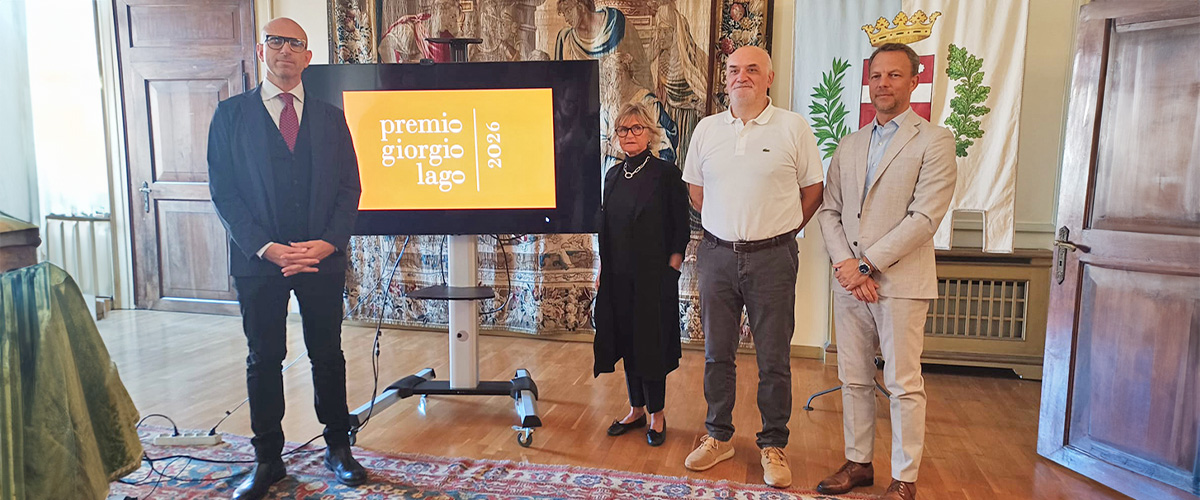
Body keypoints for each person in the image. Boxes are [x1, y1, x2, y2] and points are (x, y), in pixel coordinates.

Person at [206, 17, 367, 500]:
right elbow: (224, 193)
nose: (285, 52)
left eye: (295, 44)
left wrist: (330, 242)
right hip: (260, 263)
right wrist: (269, 249)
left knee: (327, 355)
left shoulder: (331, 117)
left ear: (307, 57)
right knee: (264, 359)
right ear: (262, 50)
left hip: (321, 257)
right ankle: (267, 459)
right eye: (276, 43)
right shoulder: (229, 116)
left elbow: (349, 188)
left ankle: (338, 448)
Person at [814, 42, 957, 500]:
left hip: (900, 282)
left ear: (915, 81)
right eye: (876, 76)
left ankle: (904, 478)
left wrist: (866, 265)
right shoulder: (849, 144)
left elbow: (924, 218)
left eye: (895, 75)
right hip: (851, 283)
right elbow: (830, 211)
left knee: (902, 383)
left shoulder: (935, 141)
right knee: (853, 378)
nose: (883, 84)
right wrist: (846, 266)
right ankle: (858, 463)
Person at [680, 46, 824, 488]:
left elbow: (813, 190)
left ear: (769, 77)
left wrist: (776, 231)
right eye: (734, 70)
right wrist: (730, 231)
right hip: (717, 256)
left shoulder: (793, 128)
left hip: (773, 260)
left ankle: (773, 444)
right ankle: (718, 436)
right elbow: (697, 192)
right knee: (716, 354)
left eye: (752, 70)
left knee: (774, 358)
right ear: (725, 79)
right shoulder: (706, 130)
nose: (742, 77)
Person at [593, 103, 690, 447]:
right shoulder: (613, 176)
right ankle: (636, 409)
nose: (629, 136)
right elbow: (607, 228)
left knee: (651, 346)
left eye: (636, 129)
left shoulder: (666, 174)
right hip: (618, 277)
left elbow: (681, 226)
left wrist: (672, 271)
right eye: (623, 130)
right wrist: (603, 270)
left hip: (654, 278)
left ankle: (657, 416)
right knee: (627, 342)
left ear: (649, 133)